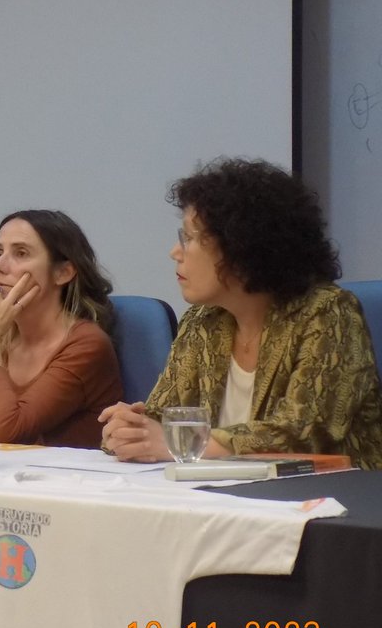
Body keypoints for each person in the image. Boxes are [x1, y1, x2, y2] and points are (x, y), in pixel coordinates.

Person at [99, 158, 382, 469]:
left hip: (331, 493)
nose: (175, 252)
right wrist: (129, 430)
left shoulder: (327, 312)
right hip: (227, 490)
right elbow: (164, 419)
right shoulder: (203, 320)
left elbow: (305, 433)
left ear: (242, 247)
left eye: (189, 238)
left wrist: (180, 441)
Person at [0, 210, 121, 447]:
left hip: (68, 471)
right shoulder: (1, 338)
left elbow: (5, 432)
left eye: (21, 253)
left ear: (63, 273)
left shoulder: (87, 345)